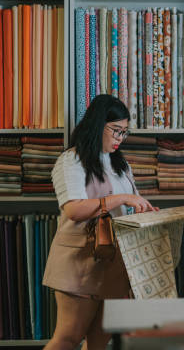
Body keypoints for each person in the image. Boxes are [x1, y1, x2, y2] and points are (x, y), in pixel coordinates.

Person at [44, 95, 156, 350]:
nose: (119, 138)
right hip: (80, 260)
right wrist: (121, 198)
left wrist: (144, 209)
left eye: (124, 133)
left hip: (114, 262)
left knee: (100, 342)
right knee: (68, 338)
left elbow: (127, 206)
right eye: (116, 130)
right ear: (97, 125)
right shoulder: (72, 160)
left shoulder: (120, 164)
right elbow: (73, 210)